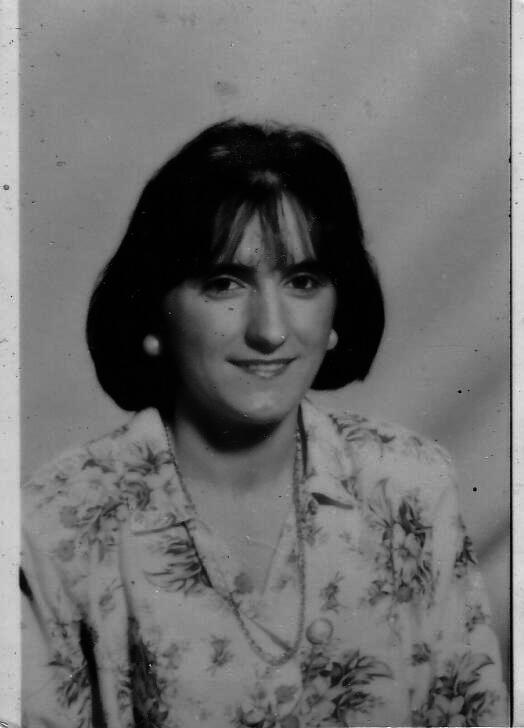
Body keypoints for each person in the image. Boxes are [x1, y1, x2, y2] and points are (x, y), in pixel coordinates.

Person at [21, 120, 507, 727]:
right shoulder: (57, 524)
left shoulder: (409, 486)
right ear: (153, 311)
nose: (271, 331)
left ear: (337, 309)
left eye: (303, 281)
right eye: (224, 282)